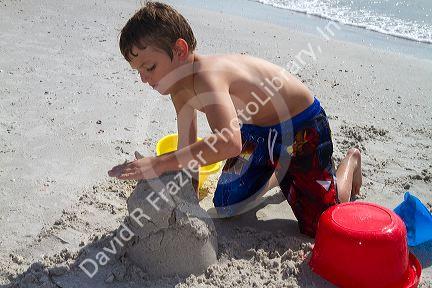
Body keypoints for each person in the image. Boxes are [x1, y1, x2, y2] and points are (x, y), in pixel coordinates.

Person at [108, 1, 362, 237]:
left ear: (180, 50)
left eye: (149, 67)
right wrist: (189, 204)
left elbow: (229, 143)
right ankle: (282, 176)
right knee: (227, 203)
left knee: (320, 225)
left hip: (299, 126)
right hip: (256, 131)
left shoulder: (209, 76)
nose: (143, 78)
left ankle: (350, 161)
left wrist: (159, 163)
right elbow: (187, 151)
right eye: (138, 71)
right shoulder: (179, 90)